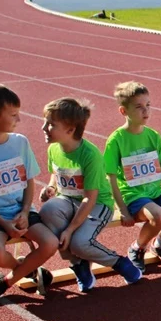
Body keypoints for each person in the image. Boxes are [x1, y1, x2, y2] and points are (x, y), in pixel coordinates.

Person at [39, 98, 142, 292]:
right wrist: (51, 187)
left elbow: (90, 198)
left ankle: (119, 263)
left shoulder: (90, 155)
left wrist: (69, 230)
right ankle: (78, 265)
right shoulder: (54, 148)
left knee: (78, 242)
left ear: (70, 130)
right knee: (48, 210)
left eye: (51, 124)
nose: (44, 127)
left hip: (97, 204)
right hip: (68, 199)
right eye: (44, 122)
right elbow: (55, 173)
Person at [0, 85, 58, 305]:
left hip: (21, 210)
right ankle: (23, 270)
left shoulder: (20, 142)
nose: (18, 119)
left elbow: (29, 182)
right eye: (13, 115)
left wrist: (24, 210)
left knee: (50, 243)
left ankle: (6, 282)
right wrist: (4, 223)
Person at [104, 82, 161, 272]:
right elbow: (110, 179)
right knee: (160, 217)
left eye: (148, 105)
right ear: (123, 111)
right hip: (133, 195)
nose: (146, 111)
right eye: (139, 107)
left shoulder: (153, 136)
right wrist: (123, 210)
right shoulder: (116, 140)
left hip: (155, 192)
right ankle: (137, 248)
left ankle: (160, 244)